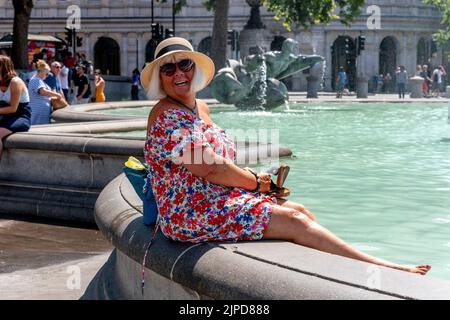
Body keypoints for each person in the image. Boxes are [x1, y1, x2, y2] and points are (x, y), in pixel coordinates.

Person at [141, 37, 431, 275]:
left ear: (195, 68)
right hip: (191, 213)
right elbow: (210, 169)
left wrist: (257, 181)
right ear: (160, 78)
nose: (179, 73)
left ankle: (335, 272)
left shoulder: (200, 108)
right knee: (294, 220)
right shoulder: (166, 115)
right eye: (169, 69)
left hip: (216, 198)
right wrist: (257, 183)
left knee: (300, 211)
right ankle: (383, 269)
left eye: (185, 64)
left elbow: (219, 164)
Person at [0, 56, 31, 160]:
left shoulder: (15, 82)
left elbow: (13, 108)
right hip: (4, 117)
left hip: (20, 117)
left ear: (3, 67)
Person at [28, 60, 63, 125]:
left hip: (41, 113)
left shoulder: (39, 80)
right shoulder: (36, 79)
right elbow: (42, 91)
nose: (47, 76)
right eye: (47, 73)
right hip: (38, 113)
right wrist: (57, 95)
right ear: (41, 71)